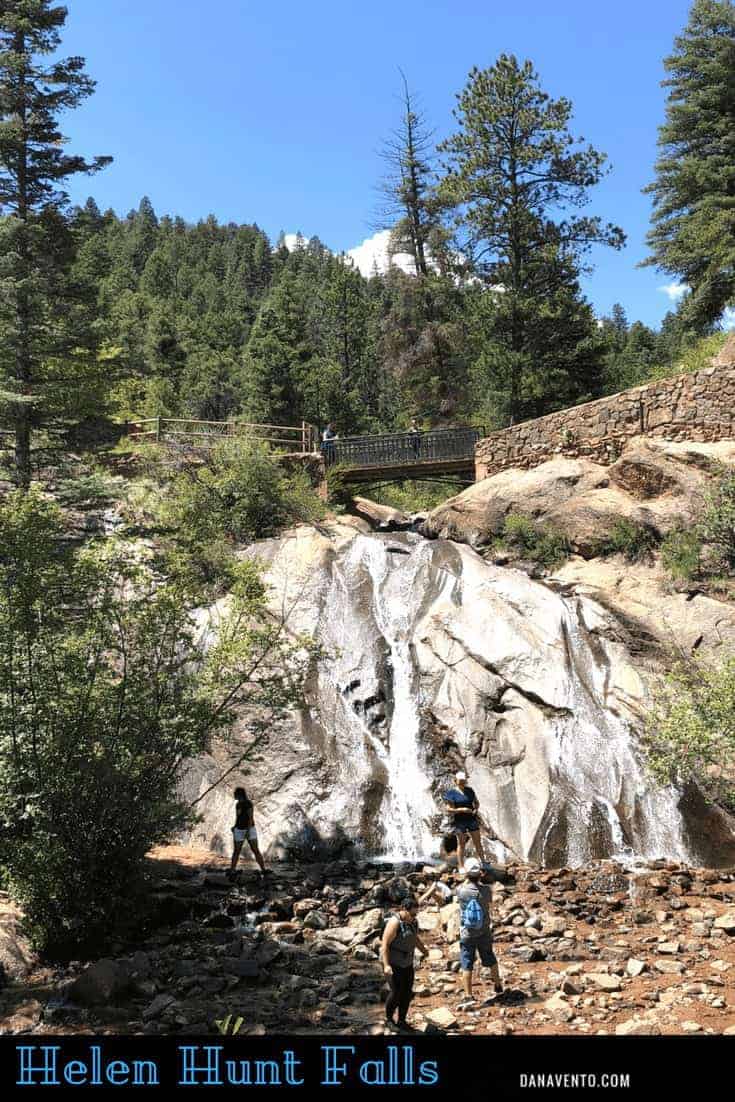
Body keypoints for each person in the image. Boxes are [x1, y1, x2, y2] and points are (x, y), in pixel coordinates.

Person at [421, 857, 501, 1009]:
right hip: (484, 932)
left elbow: (454, 894)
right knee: (490, 958)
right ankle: (497, 985)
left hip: (467, 933)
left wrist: (466, 878)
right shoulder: (486, 890)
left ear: (466, 875)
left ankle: (468, 995)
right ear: (480, 874)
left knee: (467, 964)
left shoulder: (461, 891)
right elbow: (488, 900)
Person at [380, 895, 428, 1032]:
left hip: (407, 962)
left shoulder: (413, 922)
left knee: (407, 993)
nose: (414, 916)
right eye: (413, 913)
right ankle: (389, 1020)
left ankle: (401, 1020)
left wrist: (424, 951)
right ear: (404, 910)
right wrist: (386, 965)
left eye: (416, 913)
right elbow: (384, 945)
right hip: (393, 962)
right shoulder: (394, 923)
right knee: (396, 992)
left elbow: (415, 938)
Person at [442, 770, 485, 872]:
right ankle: (461, 866)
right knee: (461, 844)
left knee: (477, 842)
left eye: (463, 780)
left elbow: (476, 802)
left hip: (471, 819)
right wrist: (461, 809)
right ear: (455, 781)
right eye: (460, 780)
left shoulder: (470, 790)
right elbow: (448, 808)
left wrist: (475, 809)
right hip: (459, 821)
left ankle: (483, 862)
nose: (462, 782)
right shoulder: (451, 793)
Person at [228, 786, 266, 878]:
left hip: (250, 829)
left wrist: (248, 831)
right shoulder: (238, 804)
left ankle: (263, 870)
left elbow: (250, 817)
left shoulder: (248, 803)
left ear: (240, 794)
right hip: (239, 829)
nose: (234, 795)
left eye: (235, 793)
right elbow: (238, 817)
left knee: (255, 850)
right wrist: (235, 826)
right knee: (236, 851)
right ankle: (232, 870)